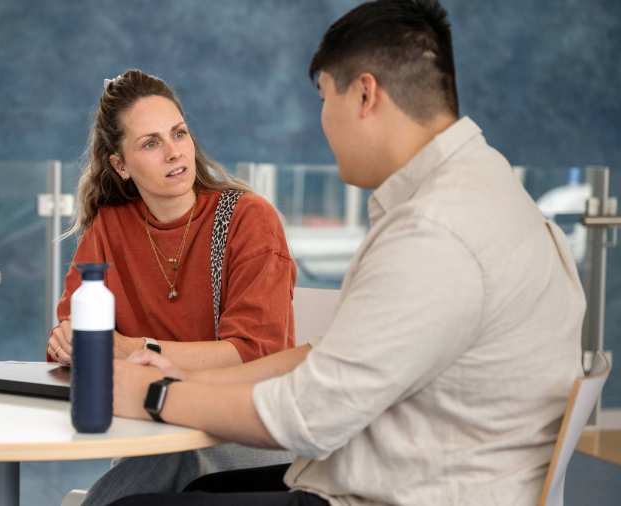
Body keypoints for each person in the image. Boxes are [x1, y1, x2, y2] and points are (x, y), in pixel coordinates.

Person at [110, 1, 586, 505]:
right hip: (434, 474)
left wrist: (153, 396)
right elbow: (331, 360)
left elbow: (305, 416)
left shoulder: (435, 231)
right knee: (190, 485)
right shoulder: (484, 190)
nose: (323, 122)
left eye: (323, 98)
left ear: (364, 93)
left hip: (400, 494)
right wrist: (189, 373)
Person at [47, 69, 298, 504]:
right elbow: (74, 332)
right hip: (151, 430)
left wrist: (128, 348)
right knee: (156, 463)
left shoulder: (246, 219)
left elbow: (255, 352)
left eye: (178, 134)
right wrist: (67, 341)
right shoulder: (110, 227)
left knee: (166, 465)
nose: (174, 153)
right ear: (120, 165)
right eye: (151, 143)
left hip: (238, 435)